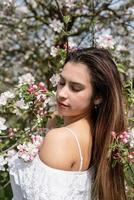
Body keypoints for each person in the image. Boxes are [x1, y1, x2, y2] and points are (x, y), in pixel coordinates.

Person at [9, 47, 127, 200]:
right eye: (61, 83)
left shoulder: (60, 139)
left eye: (75, 88)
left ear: (98, 96)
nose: (62, 94)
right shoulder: (98, 135)